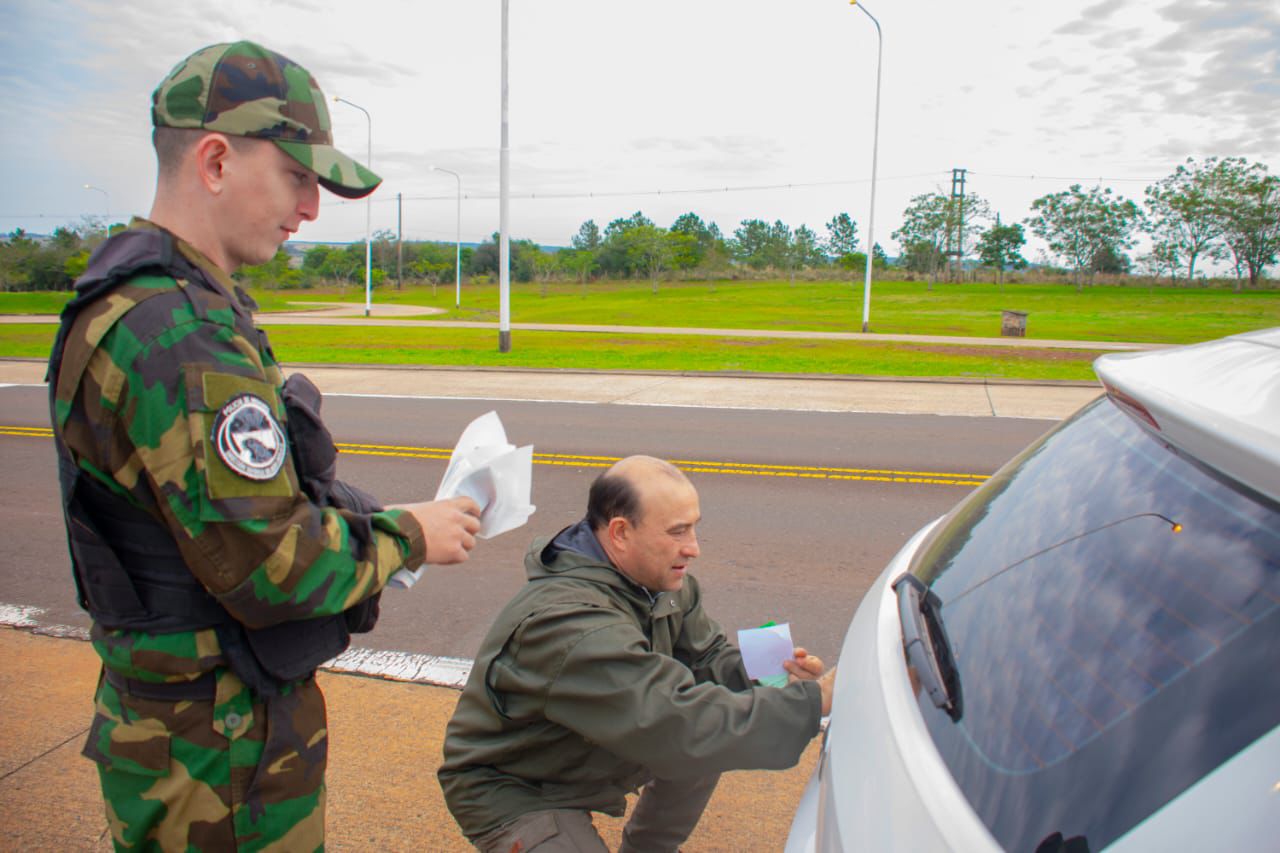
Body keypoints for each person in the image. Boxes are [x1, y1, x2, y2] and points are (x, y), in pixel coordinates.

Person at [47, 41, 482, 850]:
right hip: (219, 760)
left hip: (192, 741)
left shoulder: (163, 307)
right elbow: (273, 564)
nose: (311, 208)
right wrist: (410, 533)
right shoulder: (178, 336)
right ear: (215, 160)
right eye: (296, 176)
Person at [439, 455, 837, 853]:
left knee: (711, 730)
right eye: (677, 531)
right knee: (699, 730)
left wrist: (774, 670)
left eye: (695, 527)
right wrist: (811, 701)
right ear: (621, 533)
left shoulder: (660, 581)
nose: (693, 548)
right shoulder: (569, 624)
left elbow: (707, 658)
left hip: (594, 740)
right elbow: (675, 723)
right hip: (518, 783)